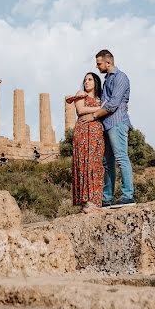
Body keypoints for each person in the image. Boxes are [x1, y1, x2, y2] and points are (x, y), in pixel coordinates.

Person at [77, 49, 134, 208]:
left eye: (99, 63)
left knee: (121, 158)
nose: (97, 66)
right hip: (106, 125)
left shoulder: (121, 78)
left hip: (117, 123)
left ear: (108, 62)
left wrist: (94, 116)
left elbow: (112, 104)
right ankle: (107, 198)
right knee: (107, 163)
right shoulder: (107, 79)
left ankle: (128, 195)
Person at [66, 72, 105, 213]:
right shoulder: (81, 93)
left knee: (96, 165)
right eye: (85, 80)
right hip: (83, 132)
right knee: (84, 164)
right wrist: (100, 108)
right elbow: (81, 109)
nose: (86, 82)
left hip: (96, 134)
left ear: (96, 81)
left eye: (90, 79)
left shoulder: (101, 98)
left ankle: (95, 201)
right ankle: (86, 202)